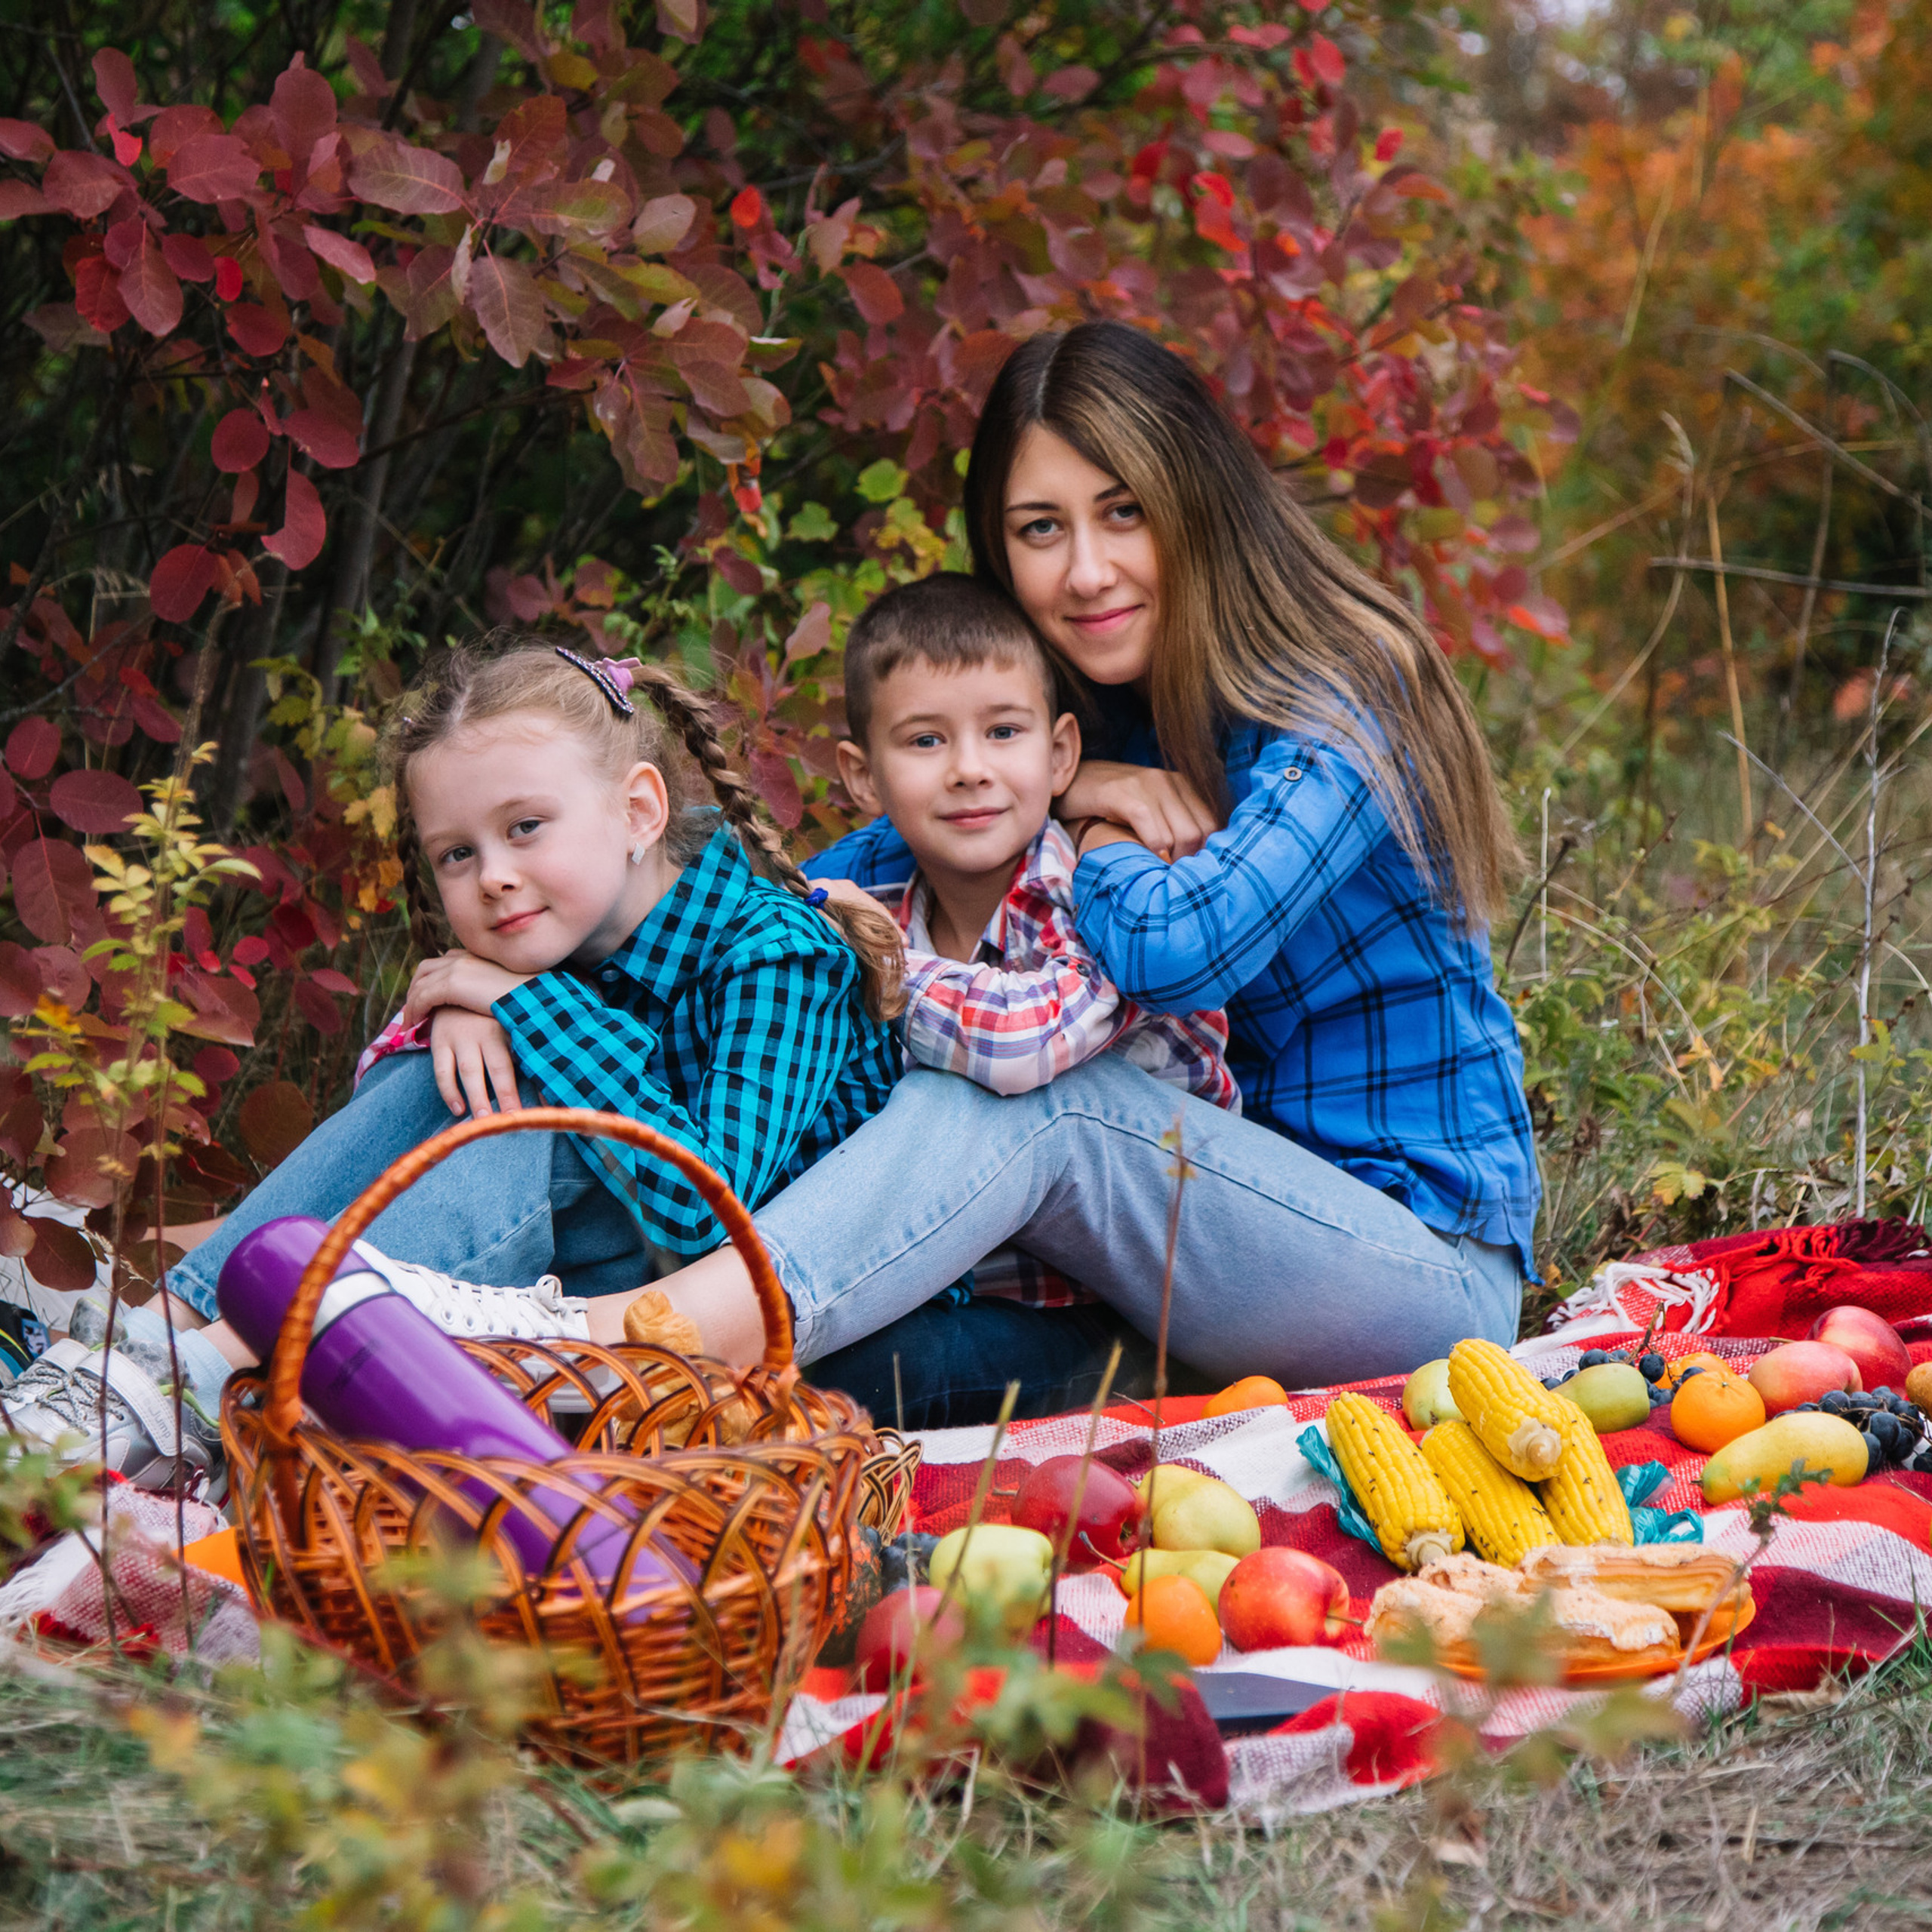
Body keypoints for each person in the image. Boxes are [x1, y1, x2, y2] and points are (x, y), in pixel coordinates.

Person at [575, 318, 1541, 1402]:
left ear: (1197, 500)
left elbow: (1181, 951)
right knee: (861, 1350)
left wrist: (1092, 824)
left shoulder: (1348, 690)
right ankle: (388, 1307)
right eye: (1041, 529)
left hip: (1418, 1276)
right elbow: (835, 878)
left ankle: (647, 1347)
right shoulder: (1095, 709)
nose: (1086, 570)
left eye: (1123, 511)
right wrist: (522, 966)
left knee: (1046, 1097)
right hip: (1178, 1261)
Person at [8, 638, 903, 1483]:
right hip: (537, 1272)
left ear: (637, 812)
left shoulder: (777, 950)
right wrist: (458, 1017)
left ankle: (218, 1371)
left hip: (696, 1319)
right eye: (458, 853)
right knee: (444, 1073)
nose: (494, 876)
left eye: (525, 827)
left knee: (520, 1123)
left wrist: (522, 1010)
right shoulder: (559, 934)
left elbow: (702, 1202)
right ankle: (149, 1351)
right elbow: (392, 1132)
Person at [796, 572, 1240, 1421]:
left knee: (869, 1374)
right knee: (838, 1349)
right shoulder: (879, 898)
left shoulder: (1097, 888)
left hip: (1117, 1309)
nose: (969, 770)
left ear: (1060, 755)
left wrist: (876, 962)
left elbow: (1017, 1045)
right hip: (948, 1280)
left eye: (1003, 732)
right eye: (925, 742)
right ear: (861, 776)